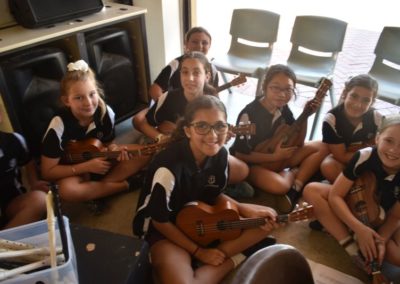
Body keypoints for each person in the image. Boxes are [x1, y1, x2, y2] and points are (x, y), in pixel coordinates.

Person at [133, 95, 278, 283]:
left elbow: (214, 194)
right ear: (187, 131)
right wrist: (199, 252)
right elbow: (160, 221)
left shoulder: (221, 156)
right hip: (165, 229)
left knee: (267, 218)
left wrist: (244, 208)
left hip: (200, 218)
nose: (212, 136)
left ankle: (214, 255)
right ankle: (236, 256)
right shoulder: (167, 167)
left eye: (220, 126)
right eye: (202, 126)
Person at [41, 60, 149, 206]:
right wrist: (85, 167)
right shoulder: (58, 126)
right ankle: (126, 185)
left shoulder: (106, 113)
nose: (88, 103)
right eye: (79, 98)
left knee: (144, 152)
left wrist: (115, 151)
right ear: (66, 101)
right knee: (67, 190)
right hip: (72, 171)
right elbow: (47, 172)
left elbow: (107, 145)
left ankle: (97, 192)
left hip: (98, 159)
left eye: (92, 94)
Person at [303, 114, 400, 276]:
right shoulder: (365, 155)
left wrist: (381, 240)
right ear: (377, 138)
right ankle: (351, 247)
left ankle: (336, 224)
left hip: (383, 219)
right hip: (356, 204)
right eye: (389, 141)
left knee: (396, 257)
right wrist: (360, 229)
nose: (394, 150)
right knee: (312, 190)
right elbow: (335, 195)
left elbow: (394, 217)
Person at [230, 64, 329, 213]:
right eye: (275, 88)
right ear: (265, 86)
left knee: (323, 146)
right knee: (279, 186)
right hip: (253, 164)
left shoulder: (283, 108)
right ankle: (295, 174)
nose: (282, 94)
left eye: (288, 89)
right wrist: (275, 156)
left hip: (279, 157)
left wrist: (306, 115)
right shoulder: (249, 114)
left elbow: (299, 143)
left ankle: (296, 186)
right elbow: (240, 154)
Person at [320, 74, 382, 183]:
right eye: (354, 96)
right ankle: (354, 194)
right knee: (328, 166)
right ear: (345, 93)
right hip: (348, 161)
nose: (358, 105)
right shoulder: (331, 120)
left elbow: (382, 149)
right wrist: (367, 148)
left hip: (369, 163)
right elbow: (341, 156)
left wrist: (368, 150)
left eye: (366, 100)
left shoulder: (376, 117)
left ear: (372, 102)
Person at [0, 110, 48, 229]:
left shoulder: (15, 140)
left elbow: (28, 161)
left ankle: (5, 242)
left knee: (40, 199)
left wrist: (34, 182)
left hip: (10, 202)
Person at [148, 26, 218, 102]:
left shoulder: (213, 69)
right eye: (195, 42)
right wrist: (166, 107)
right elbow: (154, 90)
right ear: (186, 43)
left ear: (210, 45)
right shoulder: (175, 64)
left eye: (204, 43)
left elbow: (213, 95)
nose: (200, 46)